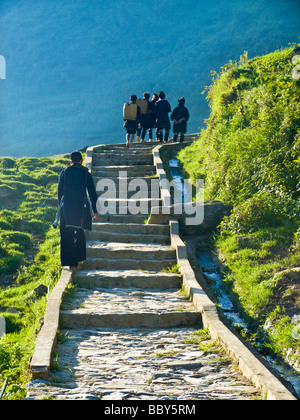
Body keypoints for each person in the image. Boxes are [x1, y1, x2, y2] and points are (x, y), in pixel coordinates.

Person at [57, 151, 99, 272]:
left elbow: (59, 194)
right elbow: (92, 193)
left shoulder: (64, 173)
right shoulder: (86, 174)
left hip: (67, 208)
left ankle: (72, 264)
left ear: (70, 161)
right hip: (81, 208)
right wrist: (95, 211)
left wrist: (60, 208)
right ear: (81, 161)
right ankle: (79, 259)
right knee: (79, 232)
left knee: (67, 235)